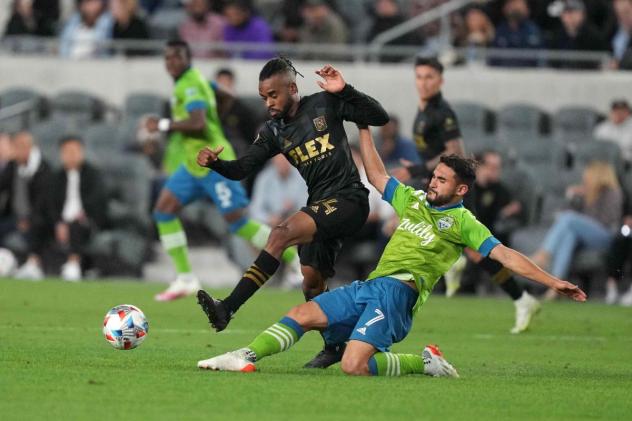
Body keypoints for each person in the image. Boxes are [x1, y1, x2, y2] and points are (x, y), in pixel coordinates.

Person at [196, 128, 587, 376]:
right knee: (301, 313)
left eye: (442, 180)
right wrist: (363, 125)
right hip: (373, 286)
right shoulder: (414, 200)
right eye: (434, 176)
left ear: (462, 190)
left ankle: (425, 362)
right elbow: (378, 176)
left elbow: (505, 256)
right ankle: (243, 355)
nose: (433, 183)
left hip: (400, 295)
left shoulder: (465, 223)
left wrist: (553, 282)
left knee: (354, 366)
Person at [196, 57, 389, 368]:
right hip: (320, 207)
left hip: (350, 199)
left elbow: (378, 116)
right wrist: (216, 164)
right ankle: (336, 345)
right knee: (311, 282)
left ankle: (228, 308)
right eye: (264, 97)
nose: (269, 103)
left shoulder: (325, 103)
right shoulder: (273, 132)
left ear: (292, 88)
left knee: (280, 234)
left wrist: (345, 89)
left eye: (274, 95)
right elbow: (243, 168)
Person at [392, 57, 541, 334]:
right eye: (419, 77)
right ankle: (465, 267)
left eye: (429, 77)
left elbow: (455, 152)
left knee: (476, 249)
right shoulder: (424, 110)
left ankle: (518, 296)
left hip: (452, 189)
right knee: (463, 249)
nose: (423, 82)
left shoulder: (442, 112)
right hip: (435, 185)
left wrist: (415, 168)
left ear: (441, 81)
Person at [144, 41, 301, 302]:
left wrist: (161, 124)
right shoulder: (197, 82)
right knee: (163, 211)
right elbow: (227, 96)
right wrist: (218, 108)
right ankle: (185, 278)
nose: (171, 62)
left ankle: (293, 258)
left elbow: (197, 122)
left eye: (177, 57)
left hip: (215, 163)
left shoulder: (190, 83)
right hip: (193, 164)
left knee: (238, 223)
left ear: (188, 58)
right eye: (167, 58)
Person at [531, 161, 623, 299]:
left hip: (606, 236)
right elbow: (564, 216)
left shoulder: (613, 193)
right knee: (569, 235)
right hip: (586, 236)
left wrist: (587, 202)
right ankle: (556, 287)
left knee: (568, 218)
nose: (585, 180)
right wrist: (572, 198)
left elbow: (606, 220)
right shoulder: (587, 194)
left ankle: (544, 255)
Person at [50, 135, 108, 281]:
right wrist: (58, 223)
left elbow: (97, 201)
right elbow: (50, 204)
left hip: (85, 220)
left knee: (76, 226)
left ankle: (73, 263)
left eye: (74, 151)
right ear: (61, 154)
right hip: (62, 220)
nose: (71, 155)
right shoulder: (56, 177)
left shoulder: (93, 174)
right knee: (38, 223)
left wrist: (82, 214)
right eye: (67, 152)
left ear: (82, 152)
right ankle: (33, 263)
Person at [0, 131, 52, 280]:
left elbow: (43, 201)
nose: (16, 150)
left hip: (37, 217)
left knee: (36, 227)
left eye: (20, 146)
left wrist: (28, 219)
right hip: (14, 216)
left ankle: (33, 263)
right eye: (15, 146)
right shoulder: (13, 165)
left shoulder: (43, 168)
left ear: (29, 147)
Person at [547, 0, 607, 70]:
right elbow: (552, 62)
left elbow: (602, 59)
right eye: (565, 12)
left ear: (582, 14)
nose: (569, 16)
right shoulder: (556, 36)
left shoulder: (594, 36)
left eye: (573, 11)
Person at [489, 0, 542, 67]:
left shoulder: (533, 30)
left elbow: (540, 56)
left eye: (519, 6)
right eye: (512, 6)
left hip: (528, 72)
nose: (515, 9)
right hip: (502, 72)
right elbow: (493, 57)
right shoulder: (500, 30)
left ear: (526, 10)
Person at [593, 99, 632, 167]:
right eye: (616, 111)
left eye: (622, 111)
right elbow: (597, 147)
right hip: (606, 160)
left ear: (628, 113)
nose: (619, 114)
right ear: (610, 113)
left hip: (627, 161)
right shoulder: (602, 128)